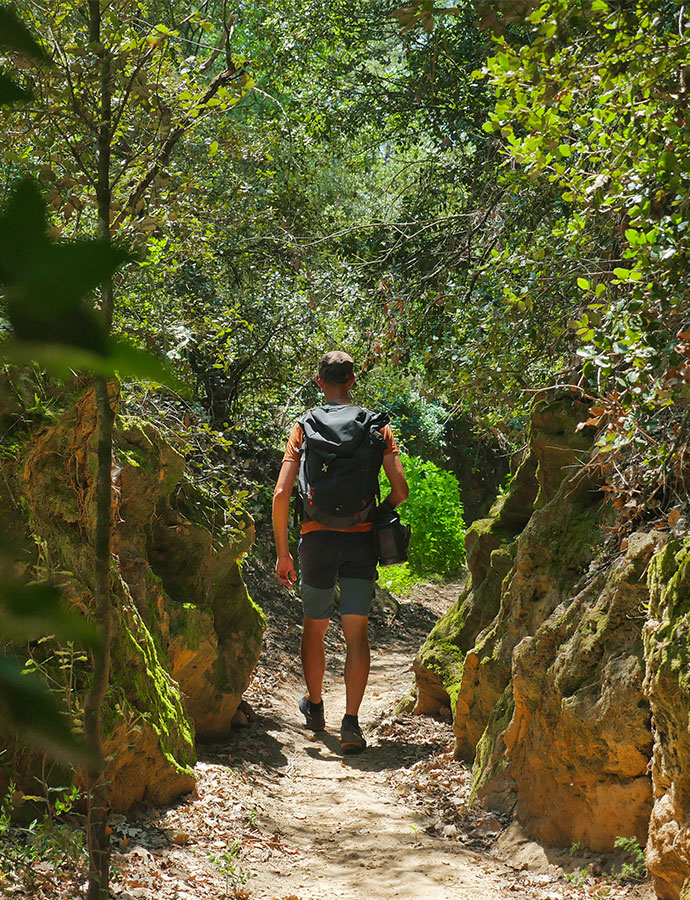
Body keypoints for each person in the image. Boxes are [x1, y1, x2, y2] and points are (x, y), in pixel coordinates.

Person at [272, 350, 409, 753]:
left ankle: (315, 709)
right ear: (352, 381)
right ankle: (351, 725)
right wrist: (375, 514)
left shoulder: (303, 427)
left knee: (314, 626)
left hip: (315, 538)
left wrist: (283, 551)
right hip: (360, 539)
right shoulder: (378, 428)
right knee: (356, 633)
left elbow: (282, 492)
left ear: (319, 381)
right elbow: (399, 491)